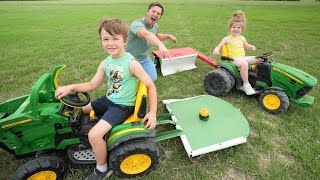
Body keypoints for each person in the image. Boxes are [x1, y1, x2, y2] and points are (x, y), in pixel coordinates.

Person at [55, 18, 157, 180]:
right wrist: (70, 87)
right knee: (80, 111)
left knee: (94, 135)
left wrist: (152, 112)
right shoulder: (106, 62)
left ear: (125, 40)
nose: (110, 43)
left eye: (115, 39)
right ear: (101, 41)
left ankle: (102, 168)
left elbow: (150, 86)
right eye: (106, 39)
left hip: (122, 107)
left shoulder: (131, 64)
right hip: (108, 100)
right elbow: (91, 84)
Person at [213, 10, 261, 95]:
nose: (236, 29)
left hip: (242, 58)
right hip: (233, 59)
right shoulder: (227, 38)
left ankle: (258, 79)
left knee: (260, 59)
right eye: (234, 27)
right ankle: (246, 85)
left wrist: (250, 47)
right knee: (244, 64)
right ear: (230, 28)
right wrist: (216, 50)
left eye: (238, 28)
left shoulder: (242, 38)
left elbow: (247, 46)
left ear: (241, 29)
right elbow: (219, 45)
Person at [126, 2, 177, 81]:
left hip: (144, 59)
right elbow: (146, 34)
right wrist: (160, 45)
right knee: (129, 80)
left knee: (153, 78)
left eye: (158, 13)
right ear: (147, 12)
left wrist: (168, 36)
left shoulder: (155, 26)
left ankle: (149, 65)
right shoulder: (137, 24)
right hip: (129, 59)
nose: (155, 14)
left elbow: (155, 36)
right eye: (153, 11)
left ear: (160, 17)